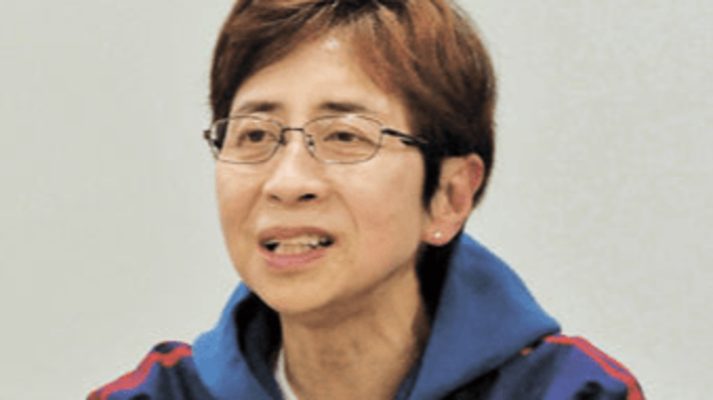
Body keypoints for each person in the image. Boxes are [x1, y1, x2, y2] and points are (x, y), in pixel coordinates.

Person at [88, 0, 645, 398]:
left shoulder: (570, 391)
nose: (287, 181)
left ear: (449, 196)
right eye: (254, 135)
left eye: (344, 136)